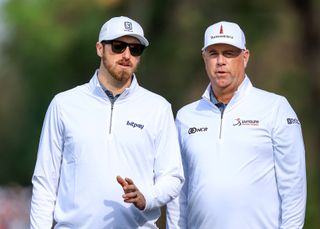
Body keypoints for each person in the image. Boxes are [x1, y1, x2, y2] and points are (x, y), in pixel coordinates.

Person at [30, 16, 184, 228]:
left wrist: (147, 197)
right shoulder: (64, 104)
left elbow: (173, 177)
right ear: (99, 49)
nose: (127, 55)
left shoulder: (158, 108)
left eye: (135, 49)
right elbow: (45, 183)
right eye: (118, 46)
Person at [166, 21, 306, 228]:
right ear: (204, 58)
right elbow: (179, 193)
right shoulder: (186, 117)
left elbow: (293, 188)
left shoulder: (276, 108)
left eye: (229, 53)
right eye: (213, 53)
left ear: (245, 57)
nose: (220, 61)